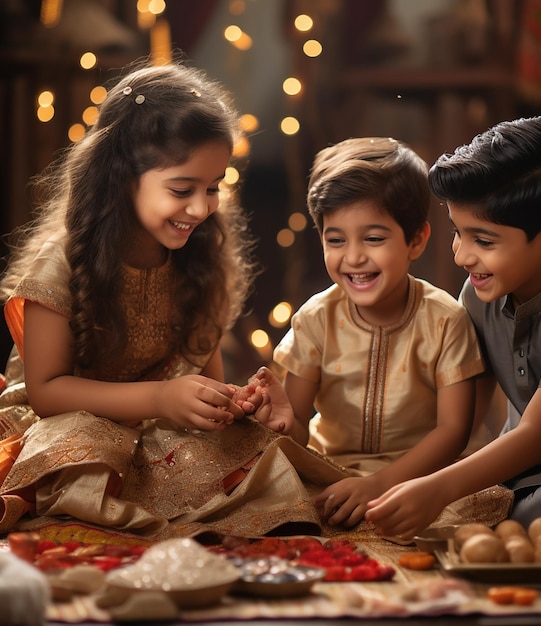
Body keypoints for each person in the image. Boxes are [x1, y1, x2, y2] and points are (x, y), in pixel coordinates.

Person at [0, 60, 346, 540]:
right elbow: (45, 393)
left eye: (212, 188)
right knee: (81, 451)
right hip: (65, 429)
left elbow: (205, 387)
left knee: (253, 452)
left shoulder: (201, 259)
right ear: (121, 176)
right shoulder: (63, 262)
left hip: (156, 435)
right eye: (182, 189)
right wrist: (161, 397)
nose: (202, 208)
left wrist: (236, 405)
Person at [365, 116, 541, 538]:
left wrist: (436, 490)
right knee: (469, 507)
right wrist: (396, 478)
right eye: (458, 233)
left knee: (531, 519)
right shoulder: (479, 292)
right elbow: (465, 417)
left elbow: (537, 435)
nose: (461, 257)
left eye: (483, 241)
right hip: (517, 470)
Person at [265, 136, 488, 529]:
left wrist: (378, 485)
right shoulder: (315, 318)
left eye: (373, 238)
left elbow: (453, 432)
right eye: (336, 240)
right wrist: (283, 423)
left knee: (473, 511)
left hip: (417, 479)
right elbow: (297, 425)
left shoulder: (445, 320)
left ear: (416, 240)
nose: (353, 257)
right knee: (262, 498)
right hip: (327, 472)